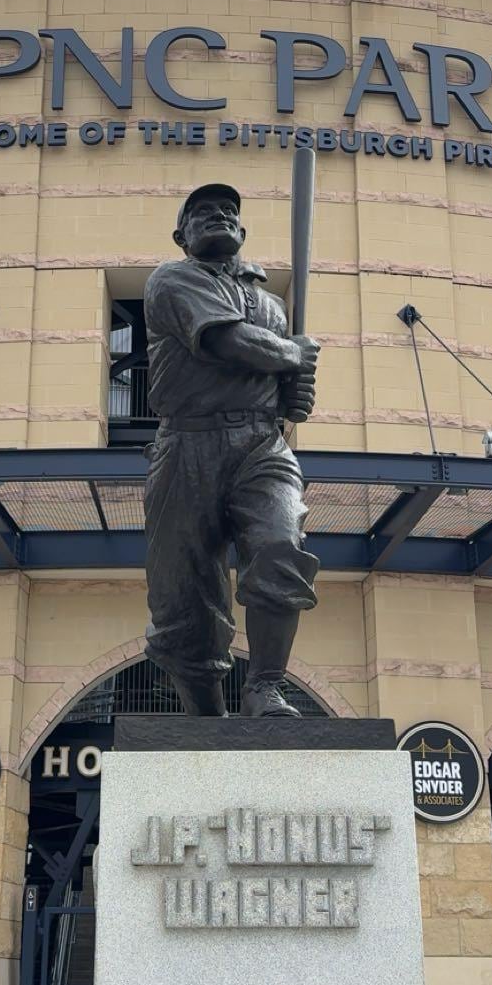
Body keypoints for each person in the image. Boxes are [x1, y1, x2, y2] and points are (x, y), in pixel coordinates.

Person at [142, 183, 320, 718]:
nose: (218, 215)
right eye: (202, 212)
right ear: (181, 235)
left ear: (243, 231)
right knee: (185, 600)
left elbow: (277, 383)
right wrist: (293, 356)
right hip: (187, 445)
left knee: (280, 546)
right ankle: (207, 716)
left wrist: (296, 390)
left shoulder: (272, 306)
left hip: (262, 445)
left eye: (228, 211)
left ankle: (266, 686)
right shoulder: (171, 279)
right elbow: (229, 342)